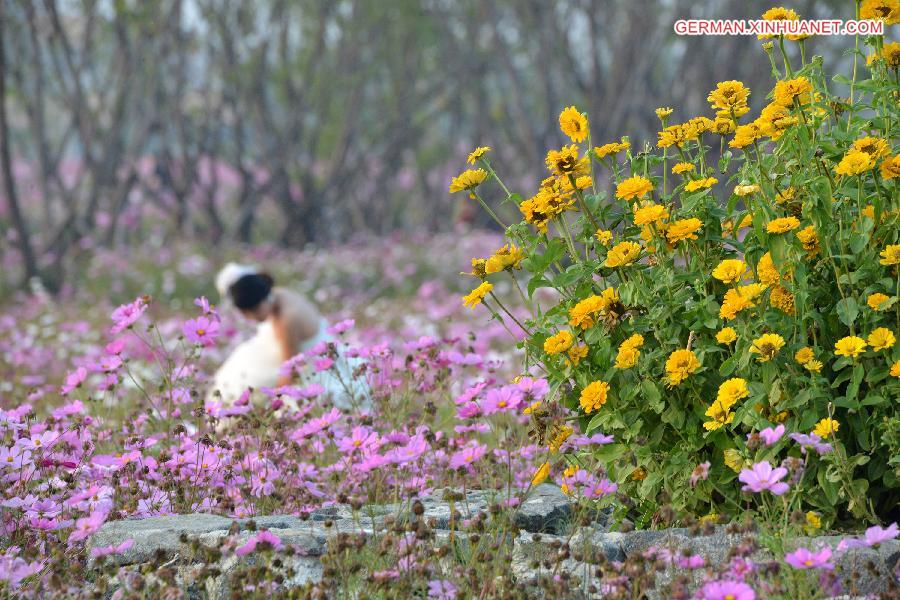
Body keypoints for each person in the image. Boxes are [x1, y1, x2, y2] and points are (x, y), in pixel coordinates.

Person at [207, 263, 365, 416]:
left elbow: (290, 370)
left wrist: (274, 403)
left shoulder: (287, 321)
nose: (251, 318)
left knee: (239, 385)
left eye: (254, 311)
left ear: (262, 299)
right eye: (245, 313)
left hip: (313, 368)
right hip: (308, 353)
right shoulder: (278, 293)